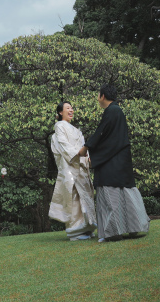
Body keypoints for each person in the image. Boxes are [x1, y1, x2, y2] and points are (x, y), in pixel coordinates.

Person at [78, 84, 149, 242]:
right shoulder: (117, 111)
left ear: (102, 96)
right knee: (126, 193)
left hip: (111, 161)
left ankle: (113, 232)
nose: (98, 98)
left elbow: (101, 133)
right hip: (120, 158)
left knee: (110, 195)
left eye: (98, 95)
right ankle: (133, 228)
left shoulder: (112, 111)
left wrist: (86, 148)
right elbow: (109, 137)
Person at [48, 101, 97, 241]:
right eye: (67, 108)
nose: (71, 110)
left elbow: (84, 146)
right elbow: (63, 146)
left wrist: (87, 157)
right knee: (74, 197)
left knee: (86, 195)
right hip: (71, 165)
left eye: (72, 108)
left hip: (80, 165)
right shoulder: (59, 126)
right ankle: (75, 230)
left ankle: (87, 227)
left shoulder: (76, 130)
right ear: (60, 112)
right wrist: (79, 155)